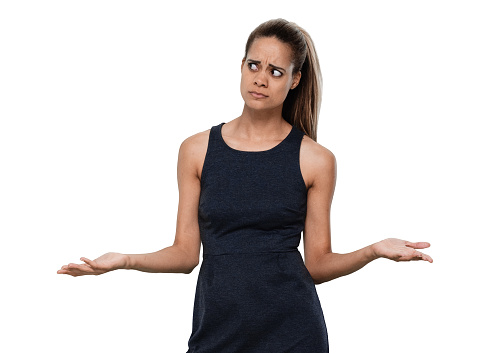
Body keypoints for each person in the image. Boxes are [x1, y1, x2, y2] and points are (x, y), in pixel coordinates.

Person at [57, 18, 433, 352]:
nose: (261, 78)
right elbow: (186, 254)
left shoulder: (316, 159)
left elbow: (317, 265)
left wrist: (373, 250)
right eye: (254, 65)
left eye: (276, 71)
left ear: (295, 79)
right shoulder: (196, 150)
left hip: (294, 333)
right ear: (241, 66)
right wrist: (123, 260)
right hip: (216, 330)